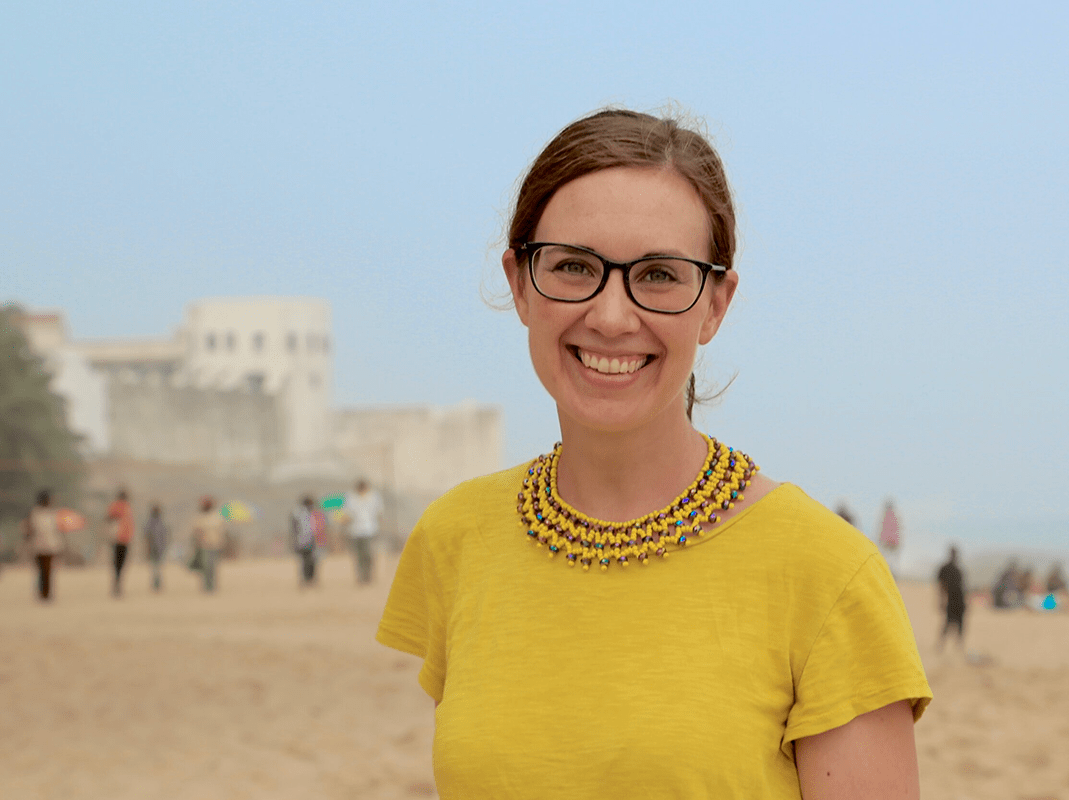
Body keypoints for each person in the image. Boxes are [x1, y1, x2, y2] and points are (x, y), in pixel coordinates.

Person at [376, 109, 931, 799]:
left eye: (660, 275)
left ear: (715, 305)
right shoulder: (456, 538)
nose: (611, 316)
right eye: (574, 266)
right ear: (519, 283)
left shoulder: (827, 575)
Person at [22, 489, 65, 602]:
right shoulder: (35, 513)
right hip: (38, 545)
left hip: (50, 546)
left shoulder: (52, 514)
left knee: (48, 570)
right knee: (41, 570)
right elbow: (30, 530)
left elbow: (56, 530)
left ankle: (46, 593)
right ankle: (42, 592)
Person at [344, 478, 383, 584]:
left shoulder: (374, 497)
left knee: (368, 554)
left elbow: (379, 512)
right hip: (355, 531)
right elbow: (347, 513)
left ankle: (368, 575)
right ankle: (361, 577)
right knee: (359, 555)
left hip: (370, 530)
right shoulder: (351, 498)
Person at [190, 496, 226, 593]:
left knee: (212, 566)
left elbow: (221, 531)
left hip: (215, 545)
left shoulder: (217, 517)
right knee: (206, 566)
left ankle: (211, 586)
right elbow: (195, 532)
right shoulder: (200, 518)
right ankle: (206, 586)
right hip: (204, 546)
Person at [936, 546, 967, 653]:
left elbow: (963, 586)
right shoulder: (945, 569)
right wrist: (941, 600)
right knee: (947, 623)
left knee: (960, 624)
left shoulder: (958, 569)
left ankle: (959, 647)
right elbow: (941, 585)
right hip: (951, 600)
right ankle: (940, 646)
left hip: (960, 600)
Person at [105, 488, 135, 597]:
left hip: (122, 539)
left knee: (118, 563)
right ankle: (117, 583)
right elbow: (109, 518)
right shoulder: (118, 506)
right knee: (119, 563)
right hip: (119, 539)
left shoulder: (125, 507)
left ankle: (117, 583)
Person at [290, 495, 320, 588]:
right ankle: (307, 580)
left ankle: (308, 580)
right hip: (305, 541)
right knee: (308, 561)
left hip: (305, 541)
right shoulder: (300, 513)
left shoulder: (299, 513)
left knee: (308, 562)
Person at [144, 504, 170, 592]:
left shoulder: (159, 523)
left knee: (156, 567)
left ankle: (157, 583)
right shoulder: (154, 523)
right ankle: (156, 584)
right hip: (154, 548)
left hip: (158, 549)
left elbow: (164, 537)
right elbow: (147, 537)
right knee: (155, 567)